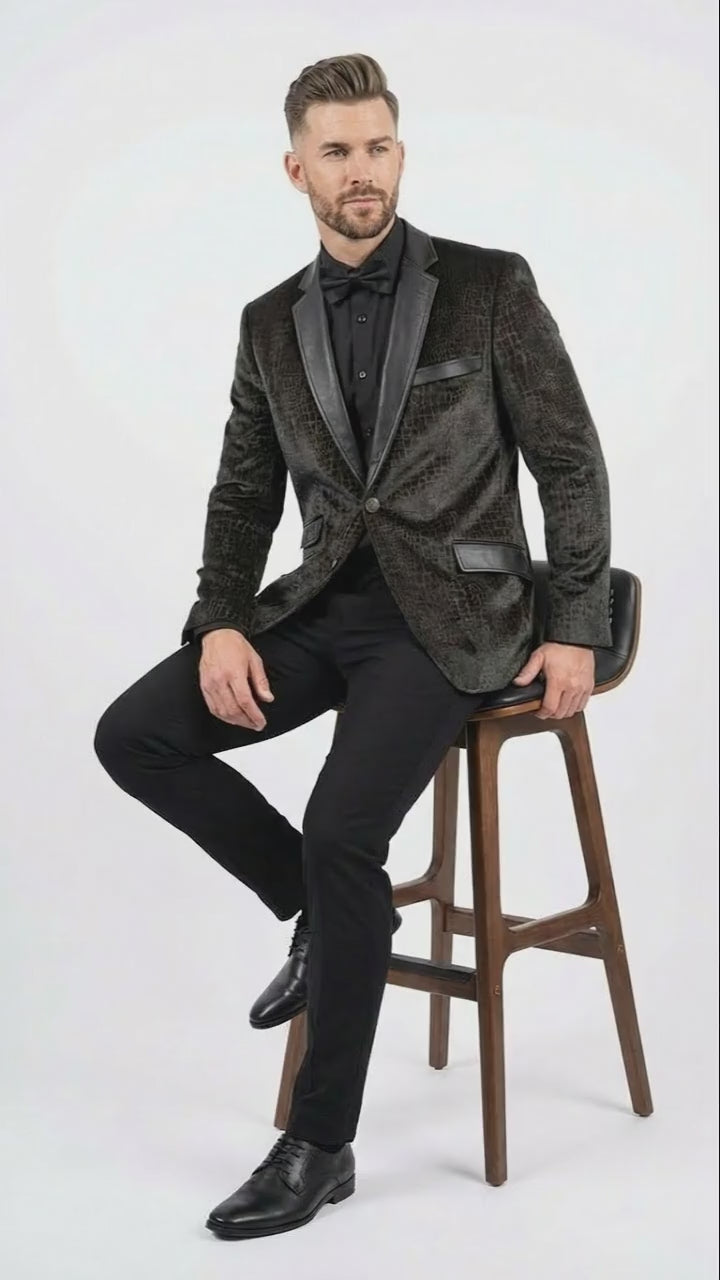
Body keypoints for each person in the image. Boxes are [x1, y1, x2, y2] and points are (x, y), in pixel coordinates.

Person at [93, 51, 612, 1240]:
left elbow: (569, 460)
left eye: (377, 146)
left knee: (343, 831)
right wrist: (223, 619)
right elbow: (243, 494)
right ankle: (320, 912)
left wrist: (574, 624)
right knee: (135, 735)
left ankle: (320, 1143)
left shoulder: (488, 285)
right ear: (297, 170)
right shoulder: (268, 322)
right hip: (323, 608)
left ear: (400, 154)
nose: (361, 169)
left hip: (455, 622)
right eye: (337, 151)